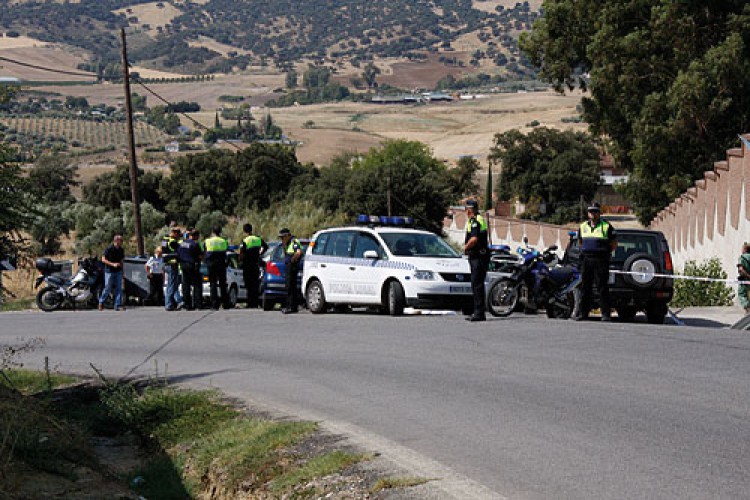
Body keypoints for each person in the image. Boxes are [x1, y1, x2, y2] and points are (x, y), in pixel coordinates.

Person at [575, 203, 617, 321]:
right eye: (591, 212)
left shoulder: (606, 226)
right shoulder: (583, 226)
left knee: (602, 287)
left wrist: (604, 253)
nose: (593, 214)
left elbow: (614, 244)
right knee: (585, 287)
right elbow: (580, 242)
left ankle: (605, 314)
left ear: (599, 213)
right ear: (588, 213)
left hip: (600, 259)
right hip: (587, 259)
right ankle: (583, 313)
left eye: (595, 211)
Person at [463, 199, 489, 322]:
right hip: (477, 256)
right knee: (476, 283)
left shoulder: (475, 221)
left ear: (469, 210)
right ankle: (477, 311)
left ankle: (479, 313)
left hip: (479, 256)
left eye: (466, 209)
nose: (465, 212)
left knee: (477, 284)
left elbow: (474, 239)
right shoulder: (476, 220)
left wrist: (465, 247)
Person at [240, 223, 268, 309]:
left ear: (244, 231)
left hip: (247, 265)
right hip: (256, 264)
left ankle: (250, 303)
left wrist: (241, 260)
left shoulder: (245, 241)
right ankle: (255, 303)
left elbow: (241, 254)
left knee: (248, 284)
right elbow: (266, 246)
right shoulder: (258, 239)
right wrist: (260, 254)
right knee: (255, 284)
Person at [204, 226, 230, 310]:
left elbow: (204, 251)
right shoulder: (224, 241)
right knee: (223, 284)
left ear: (213, 231)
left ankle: (214, 304)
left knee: (213, 284)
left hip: (211, 264)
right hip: (221, 264)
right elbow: (226, 251)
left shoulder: (207, 241)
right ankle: (225, 304)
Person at [178, 229, 203, 311]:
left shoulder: (182, 244)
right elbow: (200, 256)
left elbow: (178, 254)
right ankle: (197, 304)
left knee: (186, 285)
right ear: (195, 236)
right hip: (192, 266)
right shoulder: (194, 244)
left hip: (183, 266)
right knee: (197, 285)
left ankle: (187, 305)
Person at [279, 228, 302, 314]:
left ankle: (290, 306)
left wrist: (292, 260)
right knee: (290, 286)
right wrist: (284, 245)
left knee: (290, 286)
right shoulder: (287, 243)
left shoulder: (294, 241)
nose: (281, 239)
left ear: (287, 236)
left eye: (283, 237)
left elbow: (298, 252)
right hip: (288, 266)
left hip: (292, 266)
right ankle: (293, 306)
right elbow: (285, 254)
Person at [99, 234, 125, 311]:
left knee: (119, 288)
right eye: (121, 240)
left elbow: (121, 261)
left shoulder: (121, 250)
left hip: (118, 271)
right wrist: (112, 264)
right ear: (116, 241)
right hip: (109, 271)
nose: (122, 242)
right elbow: (103, 259)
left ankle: (117, 305)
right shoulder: (109, 249)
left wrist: (123, 271)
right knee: (108, 287)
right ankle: (101, 302)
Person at [737, 243, 750, 314]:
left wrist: (748, 276)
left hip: (745, 279)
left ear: (745, 249)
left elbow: (741, 269)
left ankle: (747, 309)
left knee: (742, 294)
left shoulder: (742, 258)